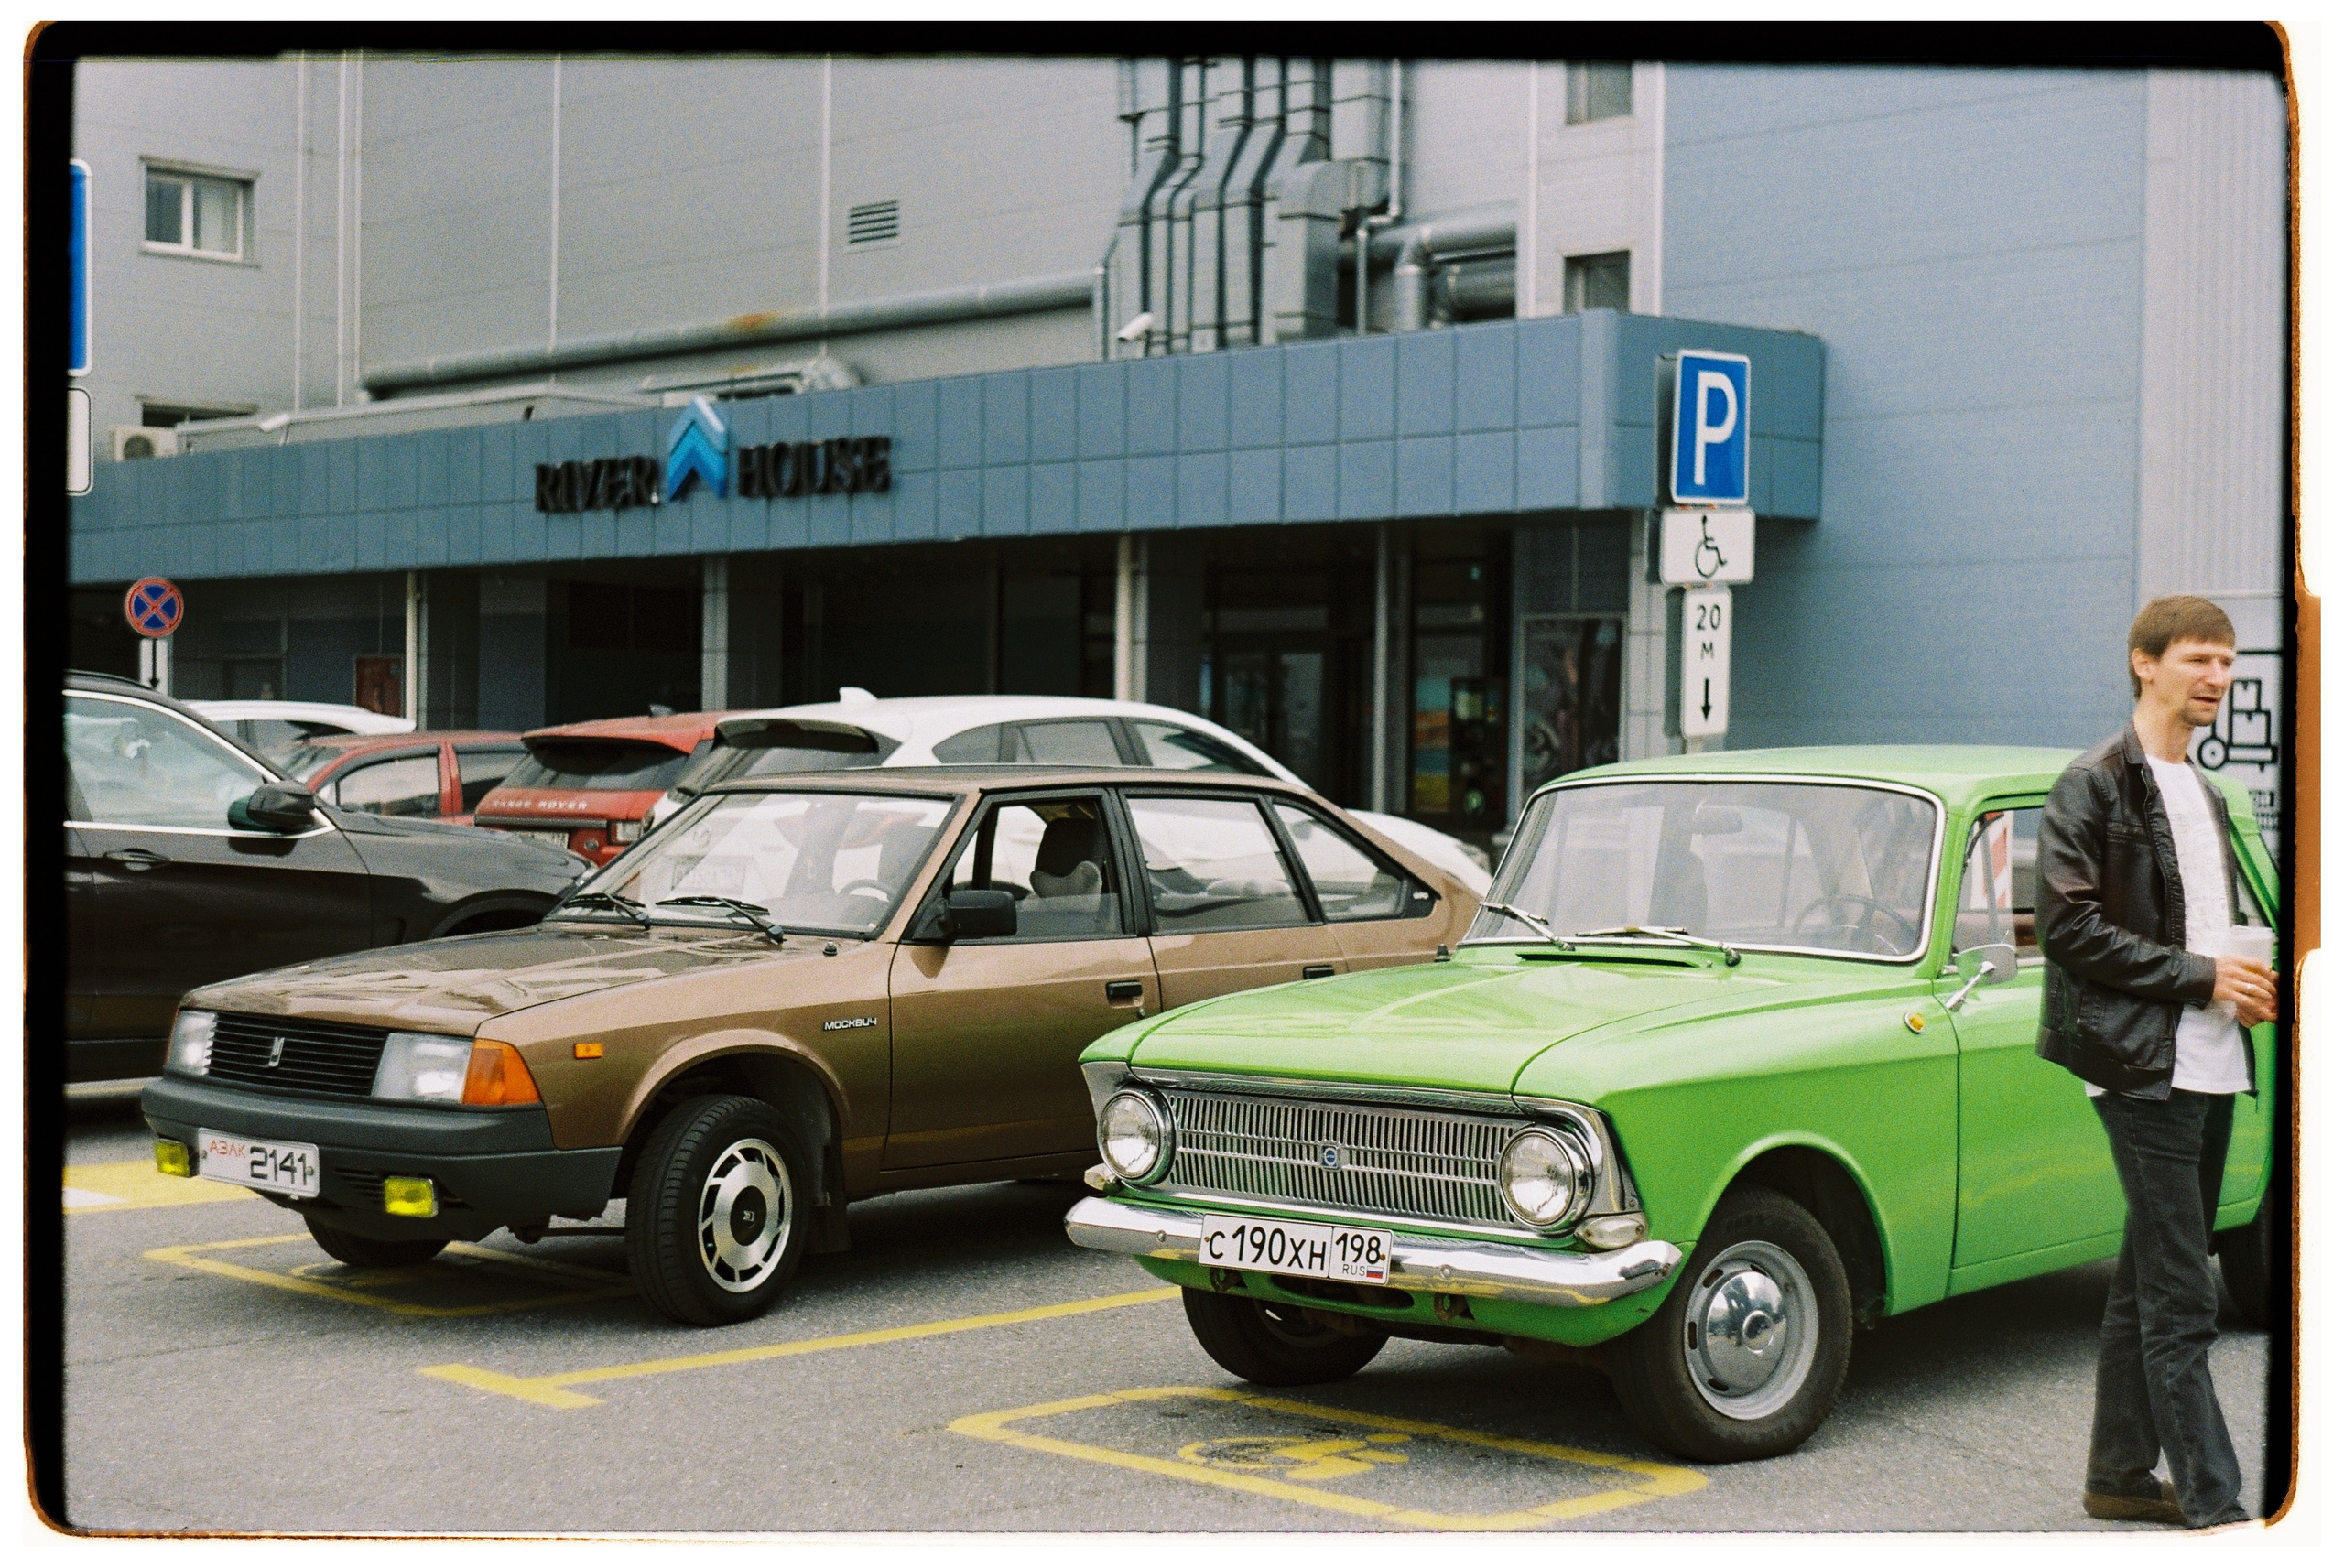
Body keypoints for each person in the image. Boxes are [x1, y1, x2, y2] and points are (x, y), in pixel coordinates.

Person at [2035, 595, 2278, 1530]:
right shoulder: (2093, 782)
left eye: (2227, 661)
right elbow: (2068, 928)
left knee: (2148, 1283)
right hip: (2143, 1067)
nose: (2218, 677)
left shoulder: (2204, 790)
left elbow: (2200, 925)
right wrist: (2203, 976)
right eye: (2198, 659)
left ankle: (2118, 1477)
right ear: (2144, 662)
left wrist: (2239, 978)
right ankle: (2221, 1509)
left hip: (2212, 1058)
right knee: (2183, 1301)